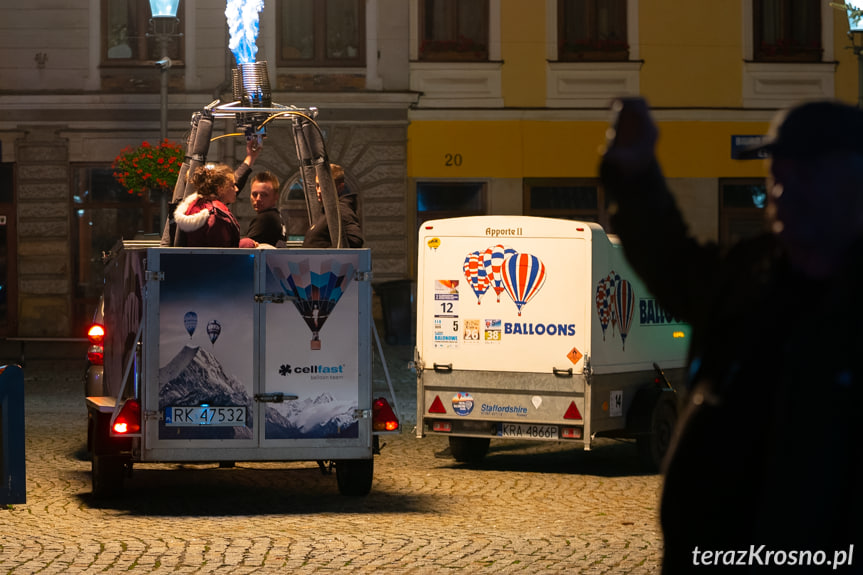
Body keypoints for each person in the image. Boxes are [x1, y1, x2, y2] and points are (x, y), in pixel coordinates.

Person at [599, 98, 861, 573]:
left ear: (853, 184)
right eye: (775, 177)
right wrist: (634, 173)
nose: (781, 191)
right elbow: (670, 260)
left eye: (802, 176)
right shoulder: (749, 274)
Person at [174, 163, 241, 247]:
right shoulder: (218, 217)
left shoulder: (197, 205)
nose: (236, 189)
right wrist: (246, 244)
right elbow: (223, 252)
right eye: (232, 185)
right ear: (220, 189)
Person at [302, 163, 363, 248]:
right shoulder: (329, 211)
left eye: (324, 186)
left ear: (340, 187)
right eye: (317, 185)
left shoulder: (341, 210)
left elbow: (355, 240)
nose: (319, 190)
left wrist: (327, 257)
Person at [239, 171, 286, 248]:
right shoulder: (277, 216)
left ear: (276, 197)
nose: (258, 199)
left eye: (264, 195)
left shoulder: (265, 218)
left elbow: (246, 250)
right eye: (254, 194)